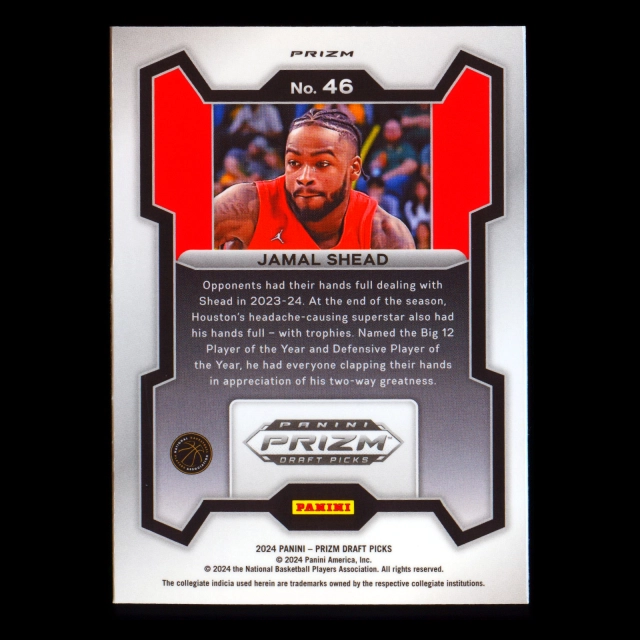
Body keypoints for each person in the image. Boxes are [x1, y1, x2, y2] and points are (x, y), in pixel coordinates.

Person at [213, 108, 415, 250]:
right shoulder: (246, 205)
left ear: (354, 169)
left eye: (322, 164)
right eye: (294, 162)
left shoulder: (385, 233)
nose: (304, 177)